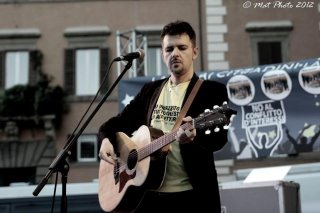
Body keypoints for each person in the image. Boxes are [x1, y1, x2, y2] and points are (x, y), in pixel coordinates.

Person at [98, 20, 230, 213]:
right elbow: (116, 124)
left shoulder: (211, 92)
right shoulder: (150, 91)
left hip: (192, 197)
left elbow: (219, 140)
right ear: (162, 54)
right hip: (149, 196)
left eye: (182, 47)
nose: (175, 53)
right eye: (169, 49)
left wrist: (194, 137)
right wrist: (106, 141)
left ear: (194, 52)